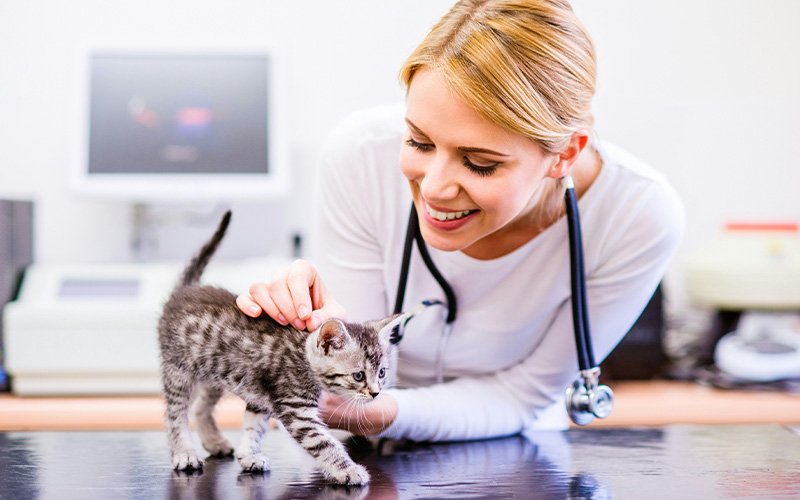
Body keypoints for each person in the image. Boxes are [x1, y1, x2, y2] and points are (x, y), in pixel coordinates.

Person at [237, 0, 684, 441]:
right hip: (363, 455)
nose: (433, 189)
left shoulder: (638, 215)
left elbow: (524, 394)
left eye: (479, 163)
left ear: (565, 153)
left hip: (517, 459)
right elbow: (349, 378)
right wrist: (297, 332)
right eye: (418, 142)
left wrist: (391, 412)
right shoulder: (359, 155)